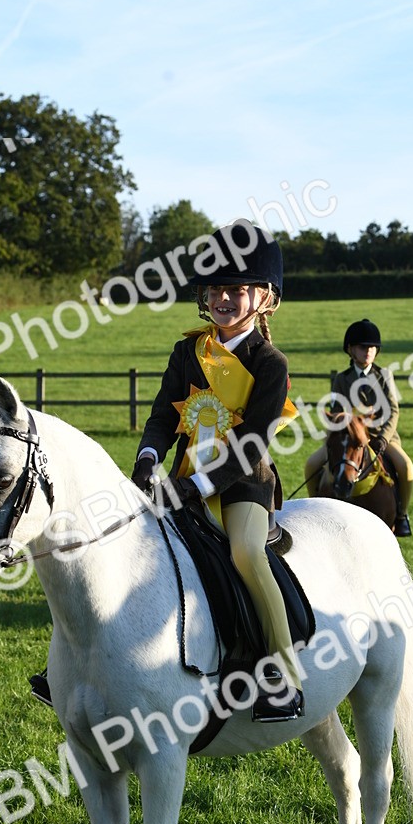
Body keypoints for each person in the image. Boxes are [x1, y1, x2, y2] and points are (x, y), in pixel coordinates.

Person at [130, 221, 304, 722]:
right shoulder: (188, 351)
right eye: (216, 289)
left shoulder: (270, 363)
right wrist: (148, 459)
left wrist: (193, 487)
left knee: (247, 553)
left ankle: (282, 674)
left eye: (236, 289)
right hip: (181, 474)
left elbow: (251, 444)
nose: (224, 298)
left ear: (263, 298)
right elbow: (164, 413)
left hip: (243, 484)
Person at [303, 318, 413, 537]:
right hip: (349, 438)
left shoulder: (384, 376)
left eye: (372, 347)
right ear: (351, 350)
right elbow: (335, 412)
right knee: (311, 464)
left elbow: (393, 410)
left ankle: (401, 516)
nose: (369, 351)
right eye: (363, 347)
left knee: (406, 466)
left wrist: (383, 437)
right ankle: (314, 511)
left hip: (382, 437)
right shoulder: (342, 379)